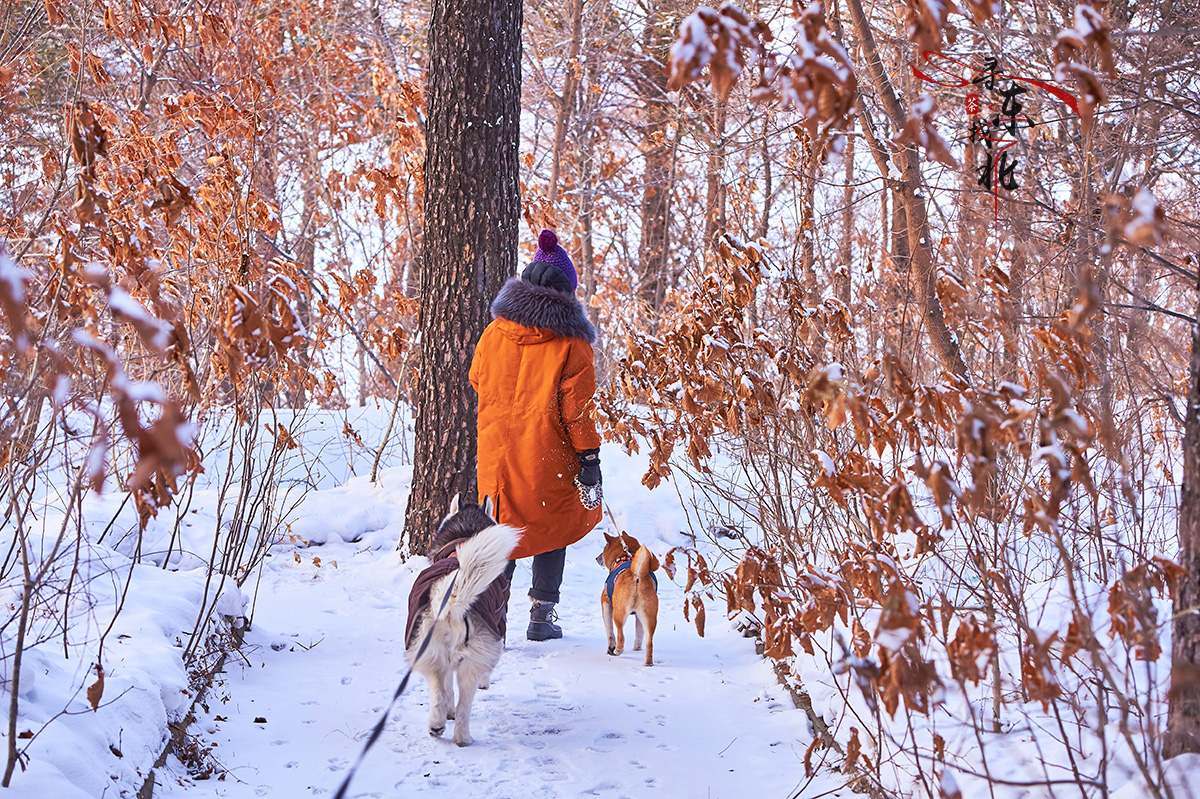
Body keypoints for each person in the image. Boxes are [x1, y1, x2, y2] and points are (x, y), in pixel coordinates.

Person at [469, 229, 603, 641]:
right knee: (553, 523)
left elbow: (477, 379)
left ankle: (492, 622)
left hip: (497, 454)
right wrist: (590, 460)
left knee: (502, 530)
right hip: (546, 452)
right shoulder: (571, 343)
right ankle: (542, 617)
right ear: (567, 292)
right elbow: (577, 411)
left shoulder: (495, 332)